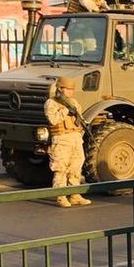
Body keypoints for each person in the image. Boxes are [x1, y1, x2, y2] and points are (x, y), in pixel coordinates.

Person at [43, 75, 90, 208]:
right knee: (60, 168)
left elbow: (79, 118)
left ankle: (75, 195)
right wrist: (65, 110)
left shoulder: (73, 102)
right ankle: (60, 196)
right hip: (61, 139)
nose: (70, 92)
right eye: (67, 89)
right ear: (60, 88)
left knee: (76, 166)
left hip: (75, 137)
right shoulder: (51, 103)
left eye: (72, 90)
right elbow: (53, 120)